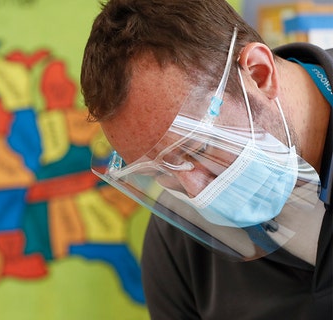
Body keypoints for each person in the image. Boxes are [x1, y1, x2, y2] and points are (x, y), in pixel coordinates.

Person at [80, 0, 332, 319]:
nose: (197, 193)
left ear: (258, 73)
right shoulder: (176, 245)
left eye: (196, 150)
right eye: (161, 172)